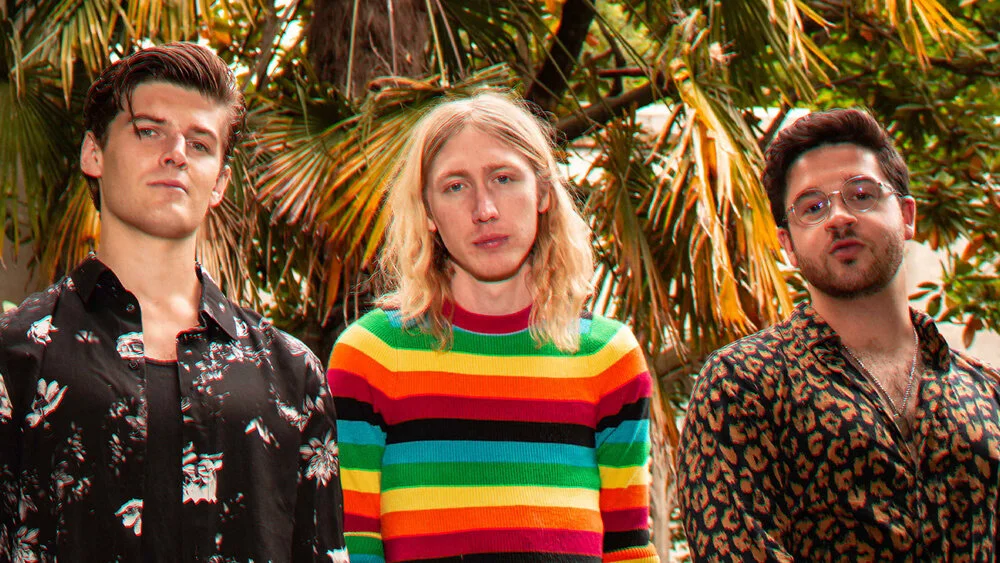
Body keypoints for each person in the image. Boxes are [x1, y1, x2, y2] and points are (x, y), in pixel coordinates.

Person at [0, 42, 347, 561]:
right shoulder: (16, 355)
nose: (177, 152)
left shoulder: (292, 377)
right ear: (93, 153)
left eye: (200, 143)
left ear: (220, 183)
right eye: (149, 131)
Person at [327, 91, 660, 562]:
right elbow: (352, 546)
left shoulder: (609, 357)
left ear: (543, 192)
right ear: (428, 213)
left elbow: (628, 549)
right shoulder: (372, 356)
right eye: (455, 186)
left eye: (503, 178)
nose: (484, 209)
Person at [676, 108, 1000, 560]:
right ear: (787, 244)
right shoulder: (742, 382)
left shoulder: (985, 391)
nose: (839, 217)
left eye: (862, 194)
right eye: (813, 207)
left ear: (907, 215)